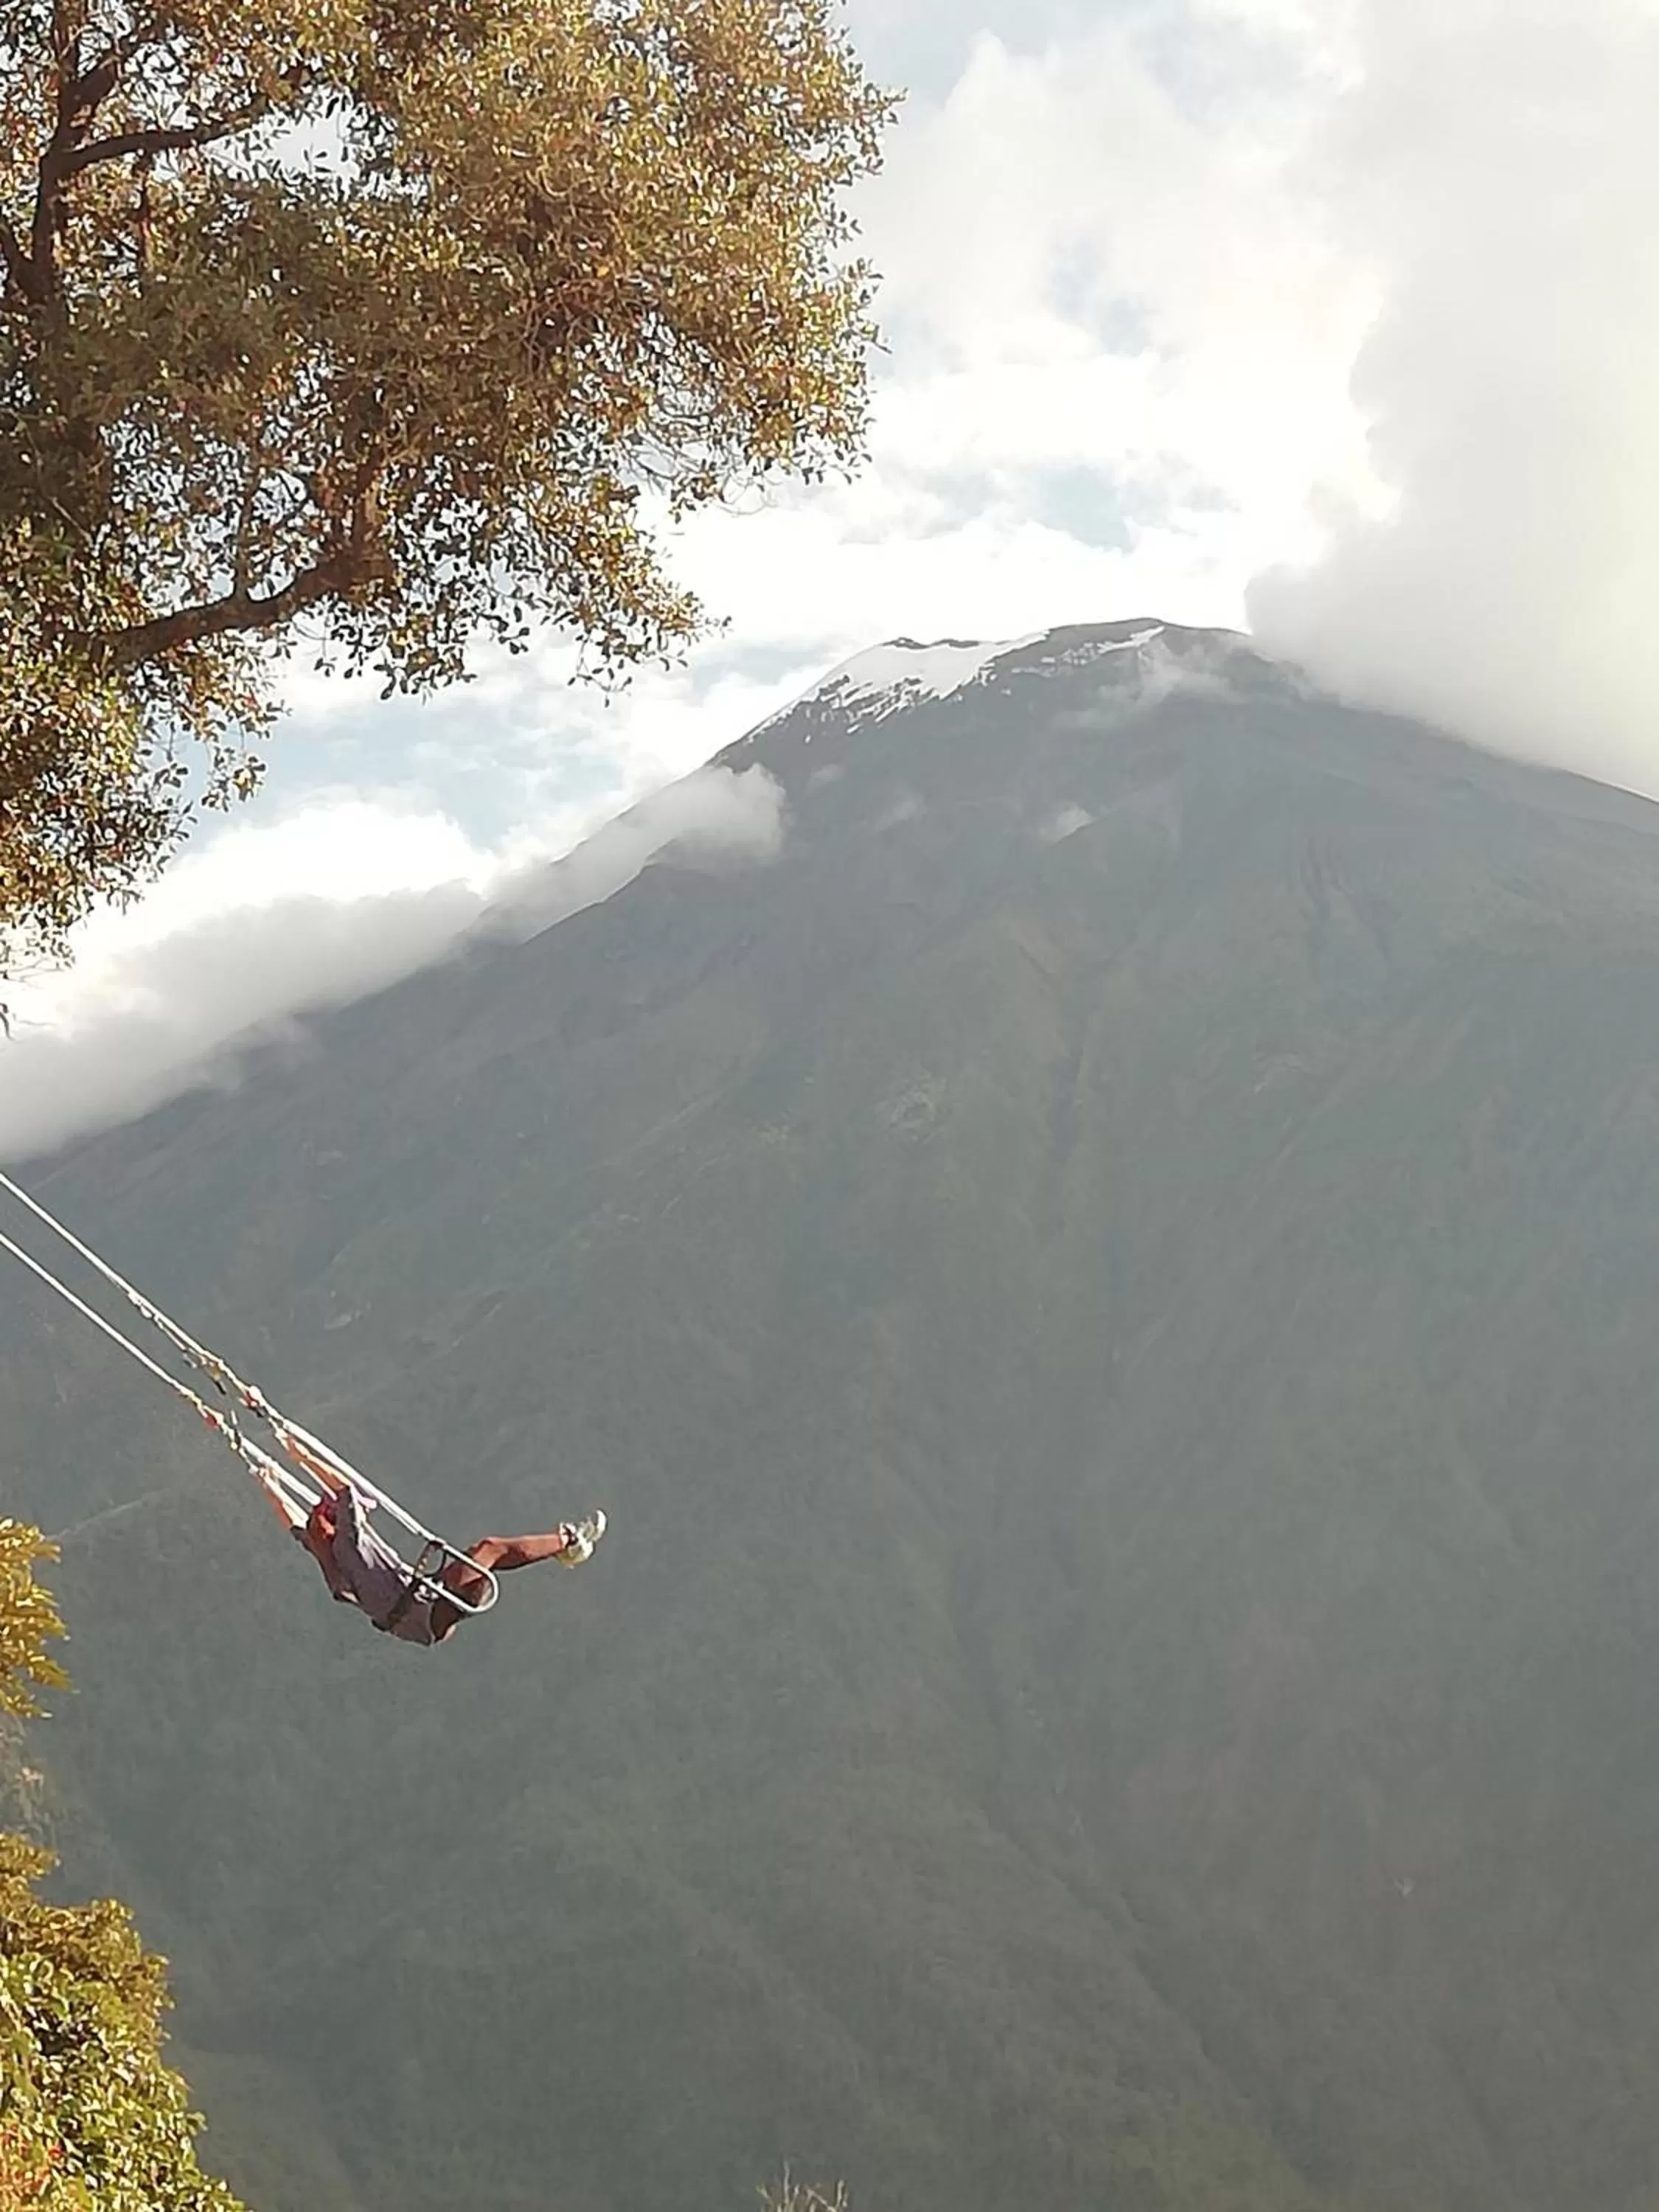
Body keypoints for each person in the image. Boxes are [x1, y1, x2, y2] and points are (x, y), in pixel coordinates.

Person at [282, 1442, 603, 1646]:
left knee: (487, 1556)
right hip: (427, 1610)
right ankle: (568, 1542)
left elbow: (292, 1522)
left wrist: (262, 1473)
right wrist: (304, 1458)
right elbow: (345, 1491)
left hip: (421, 1616)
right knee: (489, 1549)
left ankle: (566, 1545)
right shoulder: (346, 1545)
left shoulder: (330, 1564)